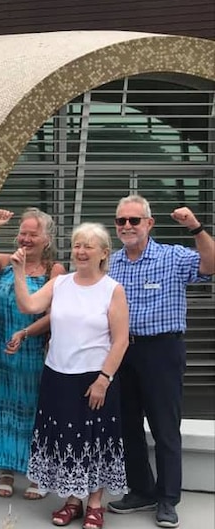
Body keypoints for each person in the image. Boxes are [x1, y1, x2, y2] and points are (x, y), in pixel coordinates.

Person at [11, 222, 129, 529]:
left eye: (88, 246)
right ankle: (73, 500)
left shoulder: (112, 289)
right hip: (57, 375)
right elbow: (28, 306)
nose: (81, 251)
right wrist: (20, 272)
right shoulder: (60, 283)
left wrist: (104, 379)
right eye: (77, 244)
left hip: (93, 379)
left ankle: (94, 503)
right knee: (66, 440)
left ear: (104, 253)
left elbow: (121, 340)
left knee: (95, 441)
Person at [106, 196, 214, 528]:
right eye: (121, 221)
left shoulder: (172, 257)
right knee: (128, 427)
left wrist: (195, 227)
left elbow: (210, 266)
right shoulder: (110, 263)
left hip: (162, 352)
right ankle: (142, 490)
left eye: (134, 221)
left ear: (149, 224)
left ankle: (168, 499)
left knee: (165, 429)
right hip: (123, 352)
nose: (127, 226)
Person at [0, 208, 65, 500]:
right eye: (22, 233)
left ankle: (37, 472)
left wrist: (27, 333)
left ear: (46, 238)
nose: (25, 239)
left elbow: (56, 315)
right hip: (0, 351)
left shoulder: (55, 270)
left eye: (32, 234)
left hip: (33, 352)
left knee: (35, 411)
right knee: (2, 409)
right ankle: (7, 470)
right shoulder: (3, 262)